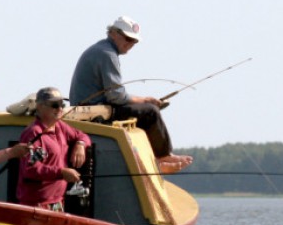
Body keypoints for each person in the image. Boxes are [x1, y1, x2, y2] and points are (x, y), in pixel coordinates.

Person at [69, 15, 192, 174]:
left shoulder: (101, 49)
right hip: (95, 111)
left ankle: (153, 160)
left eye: (134, 41)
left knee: (141, 111)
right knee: (150, 111)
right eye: (127, 39)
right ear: (113, 33)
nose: (130, 44)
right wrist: (145, 100)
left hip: (96, 107)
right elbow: (116, 96)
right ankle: (163, 157)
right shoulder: (107, 54)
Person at [16, 87, 92, 211]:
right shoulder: (32, 133)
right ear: (39, 106)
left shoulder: (60, 126)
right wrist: (61, 172)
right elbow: (30, 169)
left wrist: (80, 144)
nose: (60, 109)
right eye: (55, 105)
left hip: (57, 203)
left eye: (62, 104)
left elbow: (81, 135)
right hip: (36, 205)